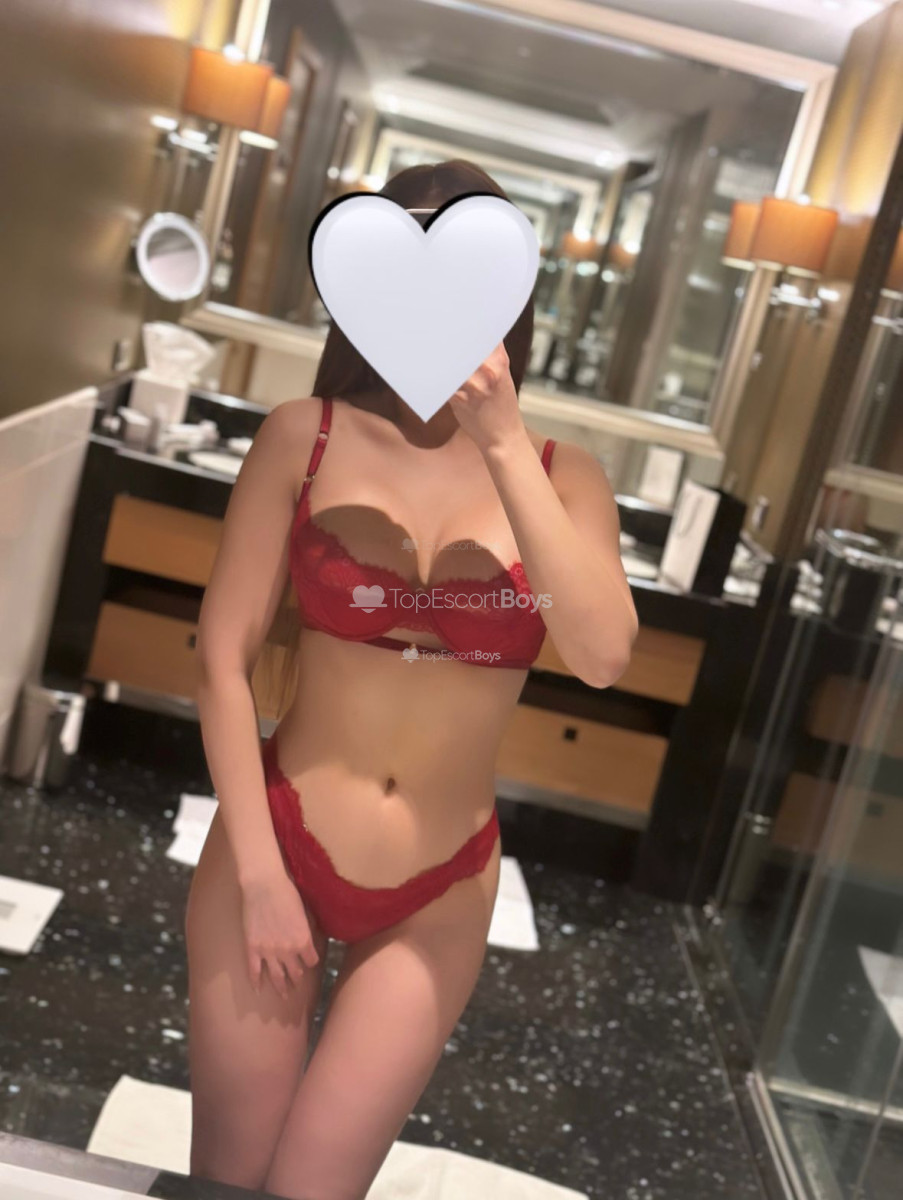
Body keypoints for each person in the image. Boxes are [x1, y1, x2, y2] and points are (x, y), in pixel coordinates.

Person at [184, 158, 638, 1200]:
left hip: (439, 885)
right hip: (277, 844)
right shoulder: (305, 434)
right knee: (228, 1180)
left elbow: (603, 655)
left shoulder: (563, 475)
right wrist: (259, 878)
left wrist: (503, 439)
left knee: (316, 1187)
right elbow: (220, 659)